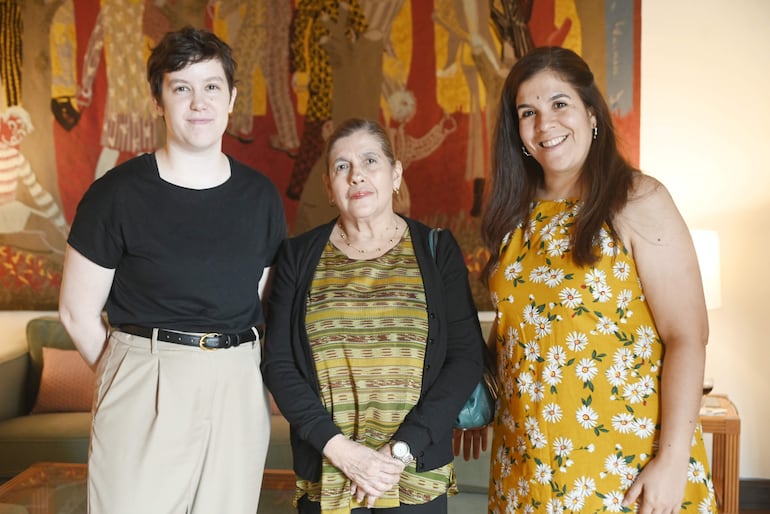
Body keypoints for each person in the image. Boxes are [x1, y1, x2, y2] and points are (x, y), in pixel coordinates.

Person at [465, 46, 717, 513]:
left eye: (560, 103)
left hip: (626, 469)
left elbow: (688, 335)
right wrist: (477, 395)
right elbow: (522, 327)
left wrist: (673, 460)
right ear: (516, 131)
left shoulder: (638, 200)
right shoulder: (513, 217)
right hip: (527, 469)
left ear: (592, 112)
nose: (545, 124)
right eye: (528, 112)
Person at [58, 27, 286, 513]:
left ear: (232, 99)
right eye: (180, 87)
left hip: (238, 383)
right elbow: (77, 313)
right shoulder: (116, 194)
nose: (198, 102)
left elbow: (263, 302)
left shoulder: (260, 196)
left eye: (211, 87)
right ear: (158, 101)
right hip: (147, 374)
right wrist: (132, 373)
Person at [262, 117, 484, 514]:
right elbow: (278, 363)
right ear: (329, 188)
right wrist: (344, 452)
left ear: (395, 174)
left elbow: (465, 359)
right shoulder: (297, 257)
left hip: (413, 472)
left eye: (370, 161)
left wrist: (398, 452)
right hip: (329, 468)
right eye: (342, 166)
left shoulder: (437, 250)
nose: (356, 176)